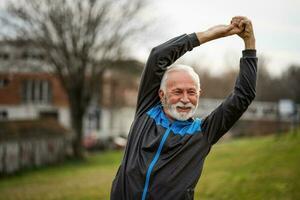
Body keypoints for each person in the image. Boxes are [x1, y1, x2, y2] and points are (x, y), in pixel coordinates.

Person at [110, 16, 257, 200]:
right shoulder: (146, 112)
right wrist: (209, 35)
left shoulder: (203, 133)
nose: (186, 99)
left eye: (192, 92)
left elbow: (244, 95)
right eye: (178, 91)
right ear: (162, 95)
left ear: (199, 94)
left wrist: (249, 42)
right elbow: (158, 56)